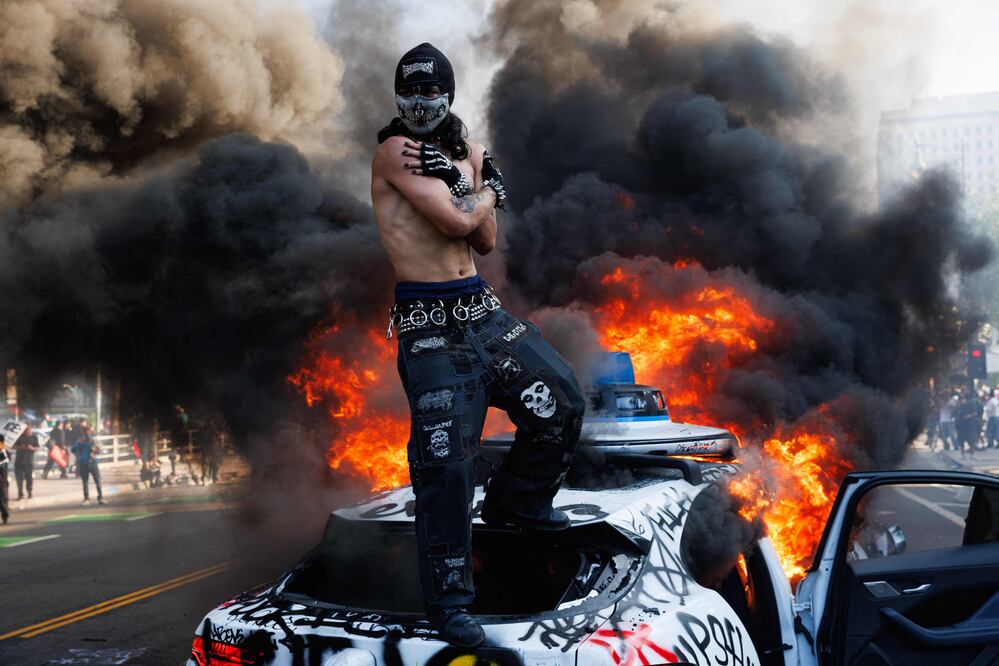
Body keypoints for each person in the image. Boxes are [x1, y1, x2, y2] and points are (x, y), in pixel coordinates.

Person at [371, 43, 584, 647]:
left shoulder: (462, 151)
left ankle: (517, 503)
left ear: (447, 94)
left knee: (562, 401)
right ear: (397, 98)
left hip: (481, 312)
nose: (418, 103)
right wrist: (488, 183)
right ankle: (451, 606)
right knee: (447, 469)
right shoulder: (395, 151)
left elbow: (485, 241)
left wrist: (473, 177)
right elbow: (463, 220)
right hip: (429, 327)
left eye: (430, 92)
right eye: (408, 93)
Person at [71, 427, 105, 506]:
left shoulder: (94, 440)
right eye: (85, 432)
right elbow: (73, 450)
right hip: (83, 463)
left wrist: (95, 449)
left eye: (88, 432)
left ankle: (100, 498)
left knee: (97, 481)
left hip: (93, 462)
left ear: (90, 432)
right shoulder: (80, 441)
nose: (87, 434)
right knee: (85, 482)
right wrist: (79, 444)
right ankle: (86, 499)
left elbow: (100, 451)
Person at [13, 425, 40, 500]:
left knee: (29, 478)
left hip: (29, 462)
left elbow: (37, 448)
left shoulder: (34, 437)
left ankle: (29, 492)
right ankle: (20, 493)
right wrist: (20, 447)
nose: (26, 430)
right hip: (19, 461)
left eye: (28, 429)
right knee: (19, 479)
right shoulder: (19, 437)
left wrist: (31, 448)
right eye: (25, 429)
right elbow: (13, 446)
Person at [955, 391, 980, 458]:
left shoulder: (970, 404)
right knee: (961, 442)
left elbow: (975, 413)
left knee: (971, 441)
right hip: (960, 426)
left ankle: (972, 455)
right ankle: (963, 455)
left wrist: (968, 416)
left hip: (969, 426)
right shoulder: (959, 406)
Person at [0, 436, 10, 524]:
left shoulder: (5, 452)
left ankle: (5, 516)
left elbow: (4, 464)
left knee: (3, 499)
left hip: (2, 482)